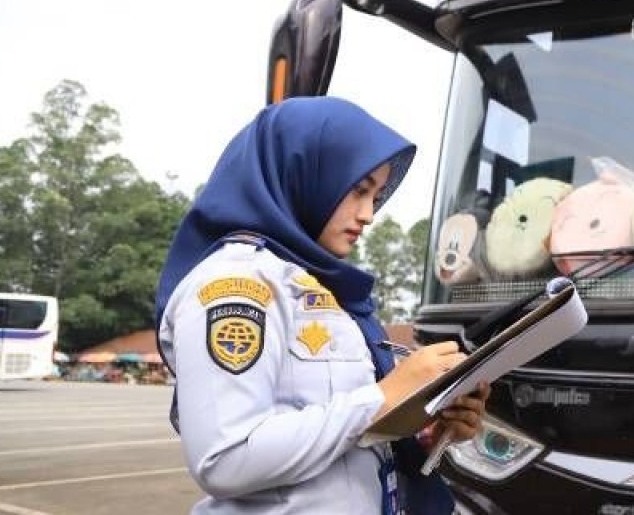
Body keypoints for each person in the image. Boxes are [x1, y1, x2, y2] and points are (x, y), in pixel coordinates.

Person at [155, 96, 489, 514]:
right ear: (302, 173)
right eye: (358, 190)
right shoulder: (237, 284)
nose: (369, 214)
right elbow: (225, 457)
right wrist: (381, 400)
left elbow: (340, 443)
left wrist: (427, 429)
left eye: (377, 195)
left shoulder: (320, 289)